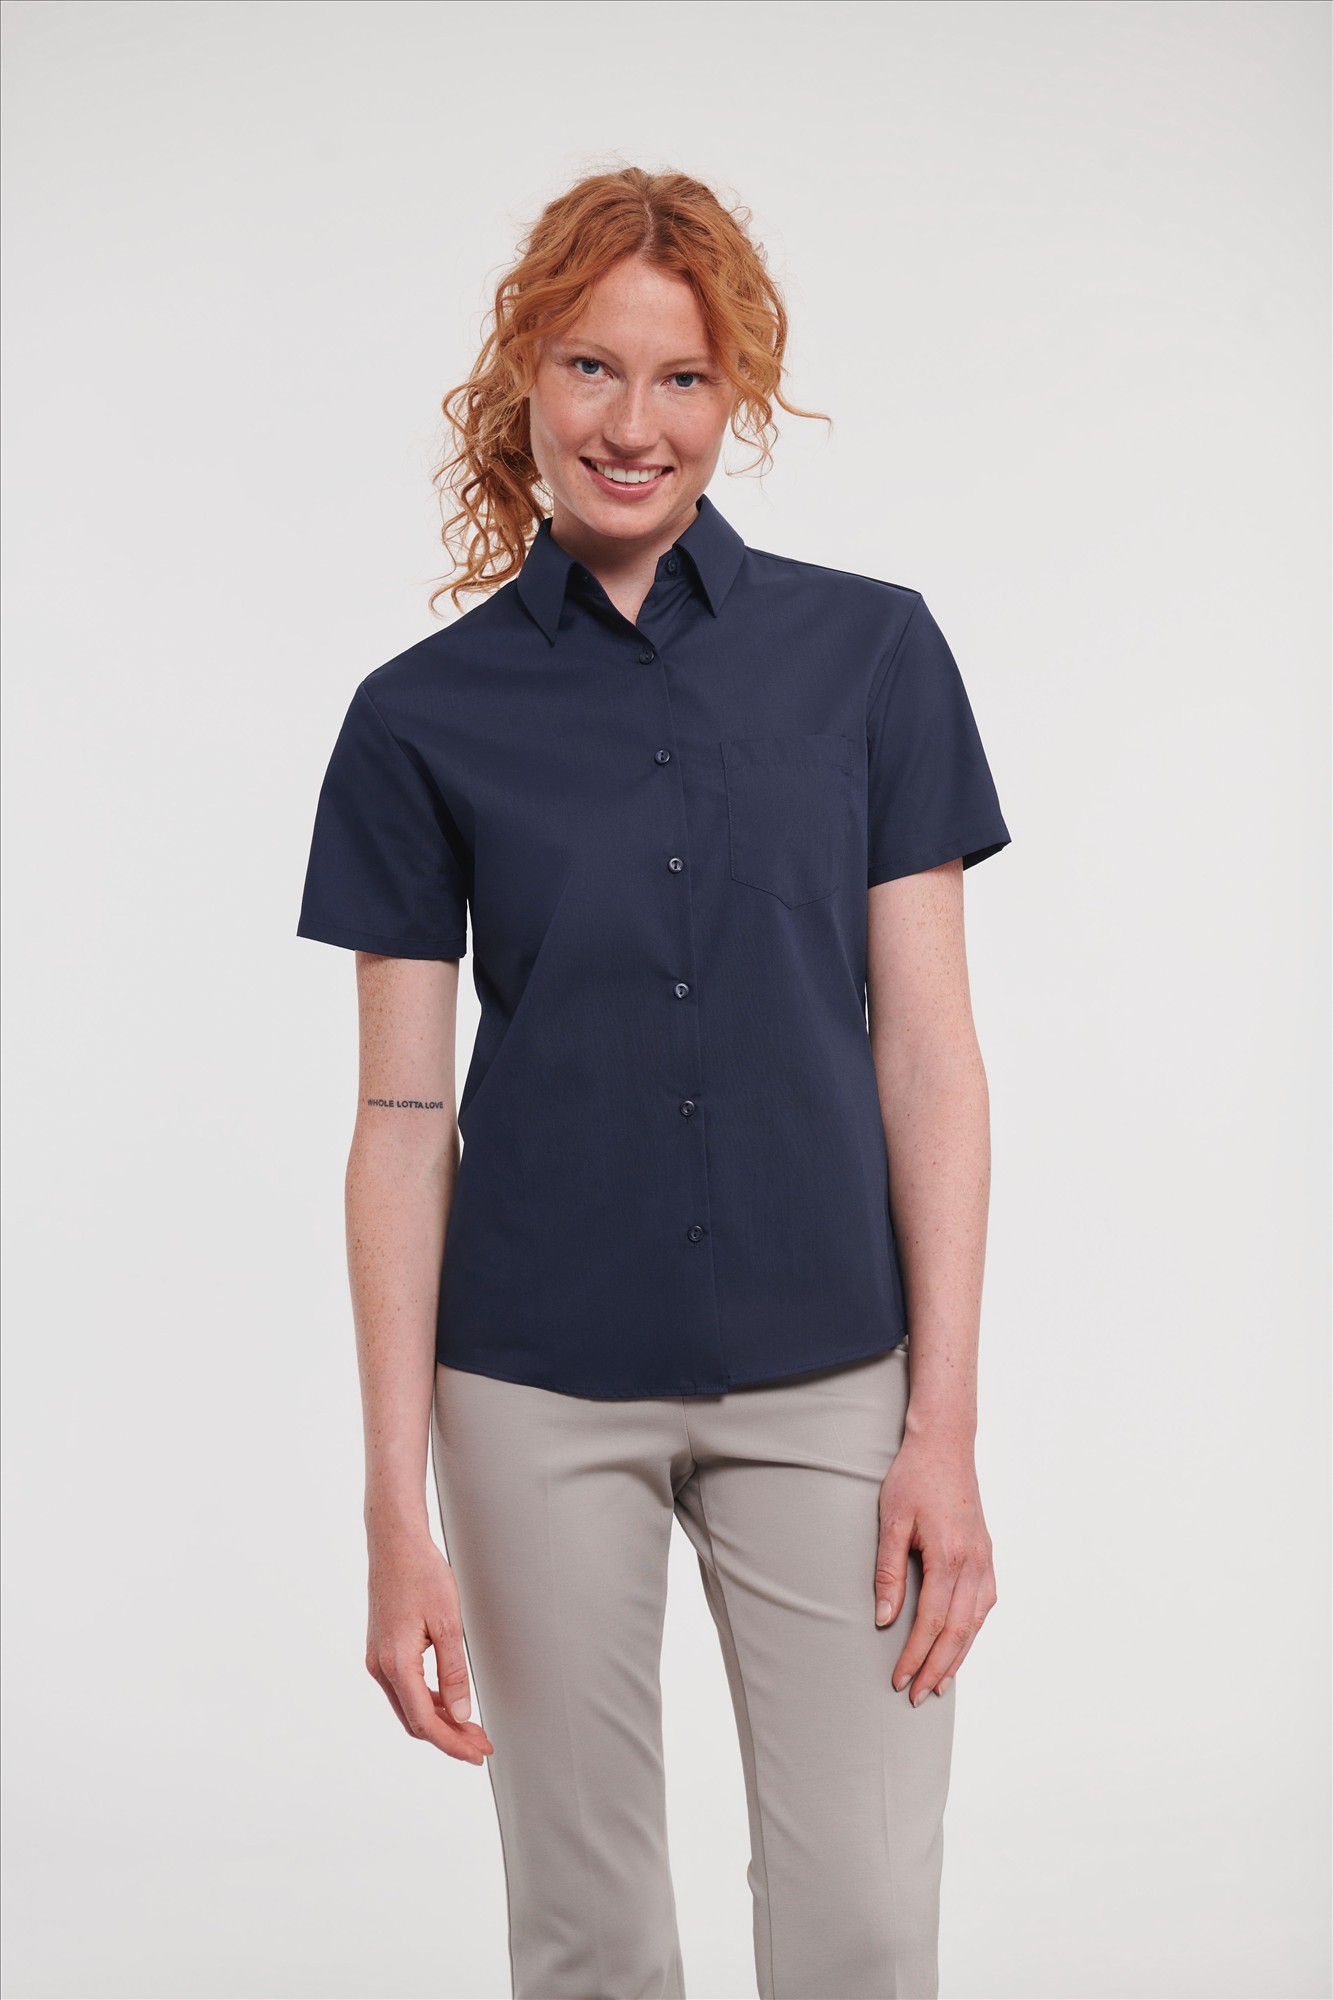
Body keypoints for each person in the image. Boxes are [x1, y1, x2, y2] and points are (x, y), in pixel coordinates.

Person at [296, 164, 1012, 2000]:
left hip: (831, 1377)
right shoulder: (416, 716)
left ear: (734, 394)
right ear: (524, 380)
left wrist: (942, 1425)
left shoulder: (872, 652)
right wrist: (393, 1506)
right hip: (531, 1388)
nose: (634, 424)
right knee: (590, 1938)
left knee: (863, 1926)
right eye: (592, 369)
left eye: (682, 377)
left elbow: (927, 1051)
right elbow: (402, 1122)